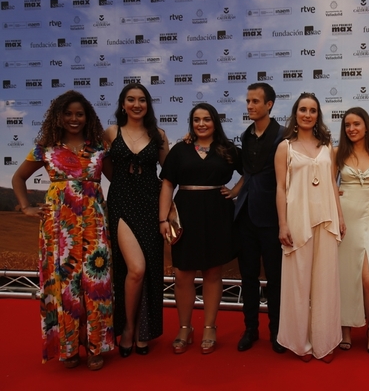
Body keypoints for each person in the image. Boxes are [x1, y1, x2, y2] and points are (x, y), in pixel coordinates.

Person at [12, 90, 113, 370]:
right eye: (68, 113)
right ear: (58, 116)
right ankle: (69, 348)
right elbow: (18, 178)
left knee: (96, 284)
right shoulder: (45, 147)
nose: (73, 119)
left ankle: (94, 347)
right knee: (64, 285)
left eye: (79, 114)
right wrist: (25, 207)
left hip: (94, 224)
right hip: (59, 227)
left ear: (87, 116)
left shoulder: (99, 147)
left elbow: (117, 181)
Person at [159, 103, 243, 354]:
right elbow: (167, 185)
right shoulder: (180, 150)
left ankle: (209, 327)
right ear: (191, 123)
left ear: (215, 121)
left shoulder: (228, 150)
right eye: (196, 119)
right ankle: (185, 327)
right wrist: (163, 219)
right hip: (185, 215)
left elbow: (250, 173)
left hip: (218, 214)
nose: (201, 124)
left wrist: (235, 191)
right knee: (183, 274)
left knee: (212, 273)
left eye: (206, 119)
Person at [274, 92, 345, 362]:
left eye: (312, 110)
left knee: (326, 283)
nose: (307, 114)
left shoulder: (328, 147)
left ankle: (324, 342)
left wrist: (339, 217)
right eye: (303, 109)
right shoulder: (285, 147)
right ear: (296, 113)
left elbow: (332, 184)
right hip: (297, 221)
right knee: (298, 284)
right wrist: (282, 223)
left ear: (318, 115)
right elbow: (280, 188)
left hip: (326, 220)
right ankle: (300, 343)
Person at [104, 83, 169, 357]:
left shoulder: (158, 134)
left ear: (147, 104)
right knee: (136, 269)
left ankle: (144, 331)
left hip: (151, 205)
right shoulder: (110, 132)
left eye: (142, 100)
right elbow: (104, 168)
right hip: (121, 205)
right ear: (123, 104)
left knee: (150, 270)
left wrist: (168, 209)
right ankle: (129, 328)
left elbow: (169, 173)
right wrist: (122, 185)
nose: (136, 104)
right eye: (131, 99)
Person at [234, 83, 286, 354]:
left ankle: (277, 332)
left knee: (276, 279)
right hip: (245, 216)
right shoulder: (245, 135)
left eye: (256, 101)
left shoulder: (283, 135)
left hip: (274, 218)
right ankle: (250, 329)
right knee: (248, 278)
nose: (250, 106)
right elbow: (246, 172)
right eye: (248, 101)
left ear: (269, 105)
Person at [335, 107, 369, 355]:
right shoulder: (338, 153)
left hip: (368, 220)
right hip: (344, 221)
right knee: (345, 277)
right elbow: (325, 186)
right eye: (347, 125)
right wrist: (337, 210)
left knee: (368, 279)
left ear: (366, 126)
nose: (352, 129)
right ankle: (345, 328)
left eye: (356, 124)